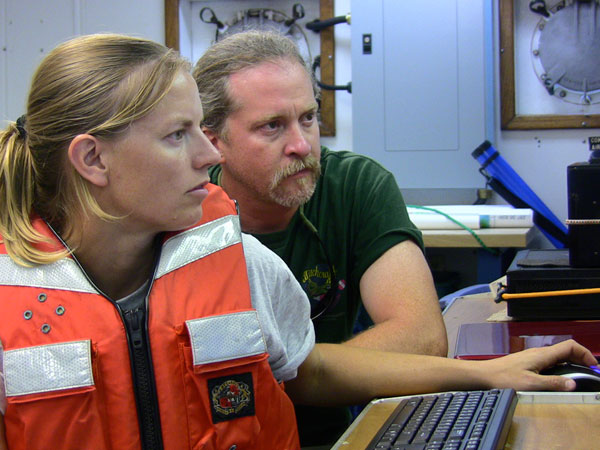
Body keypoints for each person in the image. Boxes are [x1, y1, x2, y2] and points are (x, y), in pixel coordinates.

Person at [0, 33, 597, 450]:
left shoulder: (237, 260)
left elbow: (308, 368)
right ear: (92, 159)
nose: (208, 157)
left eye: (309, 118)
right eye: (179, 135)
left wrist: (489, 374)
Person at [193, 29, 448, 445]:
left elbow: (421, 339)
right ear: (213, 141)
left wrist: (288, 371)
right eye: (272, 126)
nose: (301, 144)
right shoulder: (182, 214)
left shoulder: (355, 185)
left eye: (307, 118)